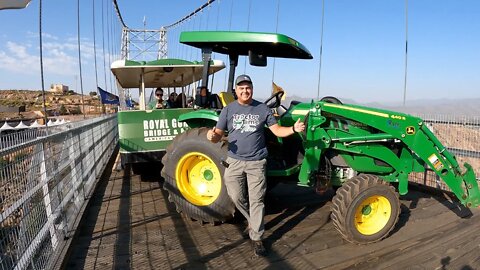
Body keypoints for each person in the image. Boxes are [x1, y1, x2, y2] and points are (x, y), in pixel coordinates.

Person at [206, 74, 305, 257]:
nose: (245, 90)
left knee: (257, 200)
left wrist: (293, 129)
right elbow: (218, 134)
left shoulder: (262, 109)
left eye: (248, 87)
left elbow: (276, 130)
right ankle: (252, 220)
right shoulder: (228, 110)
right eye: (241, 88)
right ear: (236, 91)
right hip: (234, 161)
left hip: (256, 162)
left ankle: (257, 237)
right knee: (235, 196)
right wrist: (212, 137)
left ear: (251, 89)